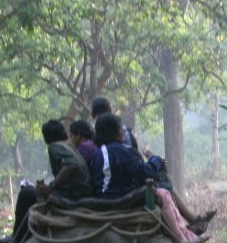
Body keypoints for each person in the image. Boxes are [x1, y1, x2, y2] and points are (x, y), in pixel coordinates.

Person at [90, 95, 214, 233]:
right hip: (117, 195)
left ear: (93, 114)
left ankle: (190, 221)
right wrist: (155, 159)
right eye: (121, 130)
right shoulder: (120, 149)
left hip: (104, 193)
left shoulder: (97, 148)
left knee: (163, 187)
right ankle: (182, 234)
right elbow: (142, 169)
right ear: (117, 131)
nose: (122, 131)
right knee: (164, 192)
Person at [0, 120, 93, 243]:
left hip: (72, 197)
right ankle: (18, 238)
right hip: (81, 192)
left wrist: (52, 186)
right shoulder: (69, 146)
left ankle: (16, 241)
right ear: (65, 134)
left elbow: (71, 165)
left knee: (26, 194)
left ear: (46, 138)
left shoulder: (55, 146)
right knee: (33, 193)